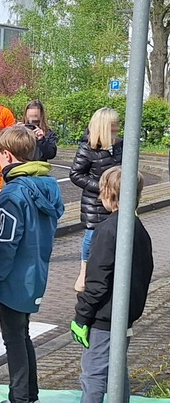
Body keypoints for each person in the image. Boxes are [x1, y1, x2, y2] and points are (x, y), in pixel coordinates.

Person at [49, 168, 153, 403]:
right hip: (125, 314)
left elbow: (97, 280)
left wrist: (82, 316)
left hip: (104, 317)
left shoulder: (107, 230)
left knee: (93, 372)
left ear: (107, 194)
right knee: (117, 370)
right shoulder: (137, 228)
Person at [0, 126, 64, 403]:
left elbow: (6, 245)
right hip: (36, 273)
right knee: (22, 335)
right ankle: (31, 399)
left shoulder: (13, 195)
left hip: (14, 278)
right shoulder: (49, 186)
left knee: (13, 339)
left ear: (7, 155)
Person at [69, 107, 123, 293]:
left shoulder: (121, 145)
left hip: (118, 201)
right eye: (114, 123)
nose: (118, 127)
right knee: (92, 236)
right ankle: (84, 271)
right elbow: (76, 174)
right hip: (95, 202)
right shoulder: (88, 147)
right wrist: (102, 187)